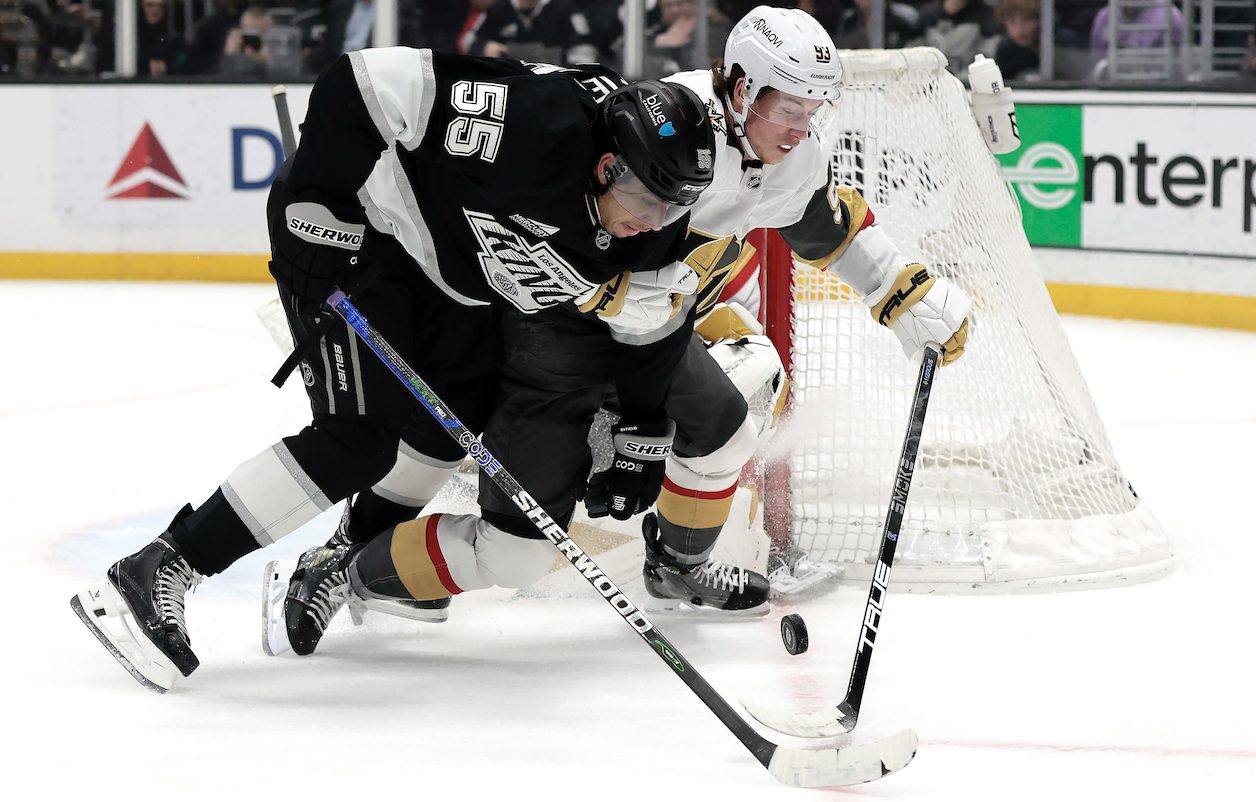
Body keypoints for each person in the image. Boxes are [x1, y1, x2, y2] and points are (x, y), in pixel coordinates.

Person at [286, 6, 972, 649]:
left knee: (727, 427)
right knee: (509, 537)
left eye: (811, 110)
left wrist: (902, 289)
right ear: (738, 88)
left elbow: (820, 220)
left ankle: (678, 563)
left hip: (648, 328)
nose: (800, 128)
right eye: (787, 107)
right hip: (548, 331)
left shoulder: (789, 158)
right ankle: (348, 563)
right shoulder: (666, 128)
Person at [72, 46, 716, 690]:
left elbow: (653, 321)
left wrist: (644, 425)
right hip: (356, 236)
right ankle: (161, 565)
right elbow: (368, 81)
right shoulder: (529, 127)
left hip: (449, 281)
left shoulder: (654, 221)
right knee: (360, 438)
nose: (653, 223)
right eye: (644, 199)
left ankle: (343, 552)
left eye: (672, 208)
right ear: (606, 165)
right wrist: (315, 202)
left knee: (448, 424)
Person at [459, 0, 597, 64]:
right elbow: (467, 39)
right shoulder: (498, 8)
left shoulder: (564, 8)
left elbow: (585, 42)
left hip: (556, 78)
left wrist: (574, 71)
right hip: (511, 78)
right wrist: (484, 46)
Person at [910, 0, 1000, 81]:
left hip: (967, 83)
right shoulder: (928, 14)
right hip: (930, 83)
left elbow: (989, 57)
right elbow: (912, 51)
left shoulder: (985, 16)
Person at [137, 0, 187, 77]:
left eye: (160, 6)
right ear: (140, 7)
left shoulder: (174, 38)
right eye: (150, 5)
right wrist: (146, 65)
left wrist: (167, 67)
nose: (155, 10)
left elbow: (183, 59)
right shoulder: (129, 37)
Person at [993, 0, 1039, 81]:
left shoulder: (1054, 50)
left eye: (1027, 20)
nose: (1020, 29)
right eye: (1012, 21)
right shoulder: (1003, 53)